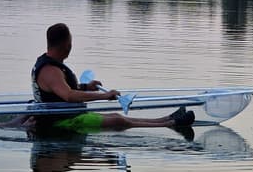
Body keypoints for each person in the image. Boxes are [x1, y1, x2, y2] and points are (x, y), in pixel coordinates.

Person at [30, 23, 195, 132]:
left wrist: (86, 87)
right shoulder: (50, 70)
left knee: (117, 117)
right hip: (62, 123)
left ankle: (166, 119)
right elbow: (68, 95)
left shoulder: (50, 65)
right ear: (67, 45)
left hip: (69, 116)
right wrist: (103, 95)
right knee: (118, 121)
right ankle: (172, 124)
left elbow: (61, 91)